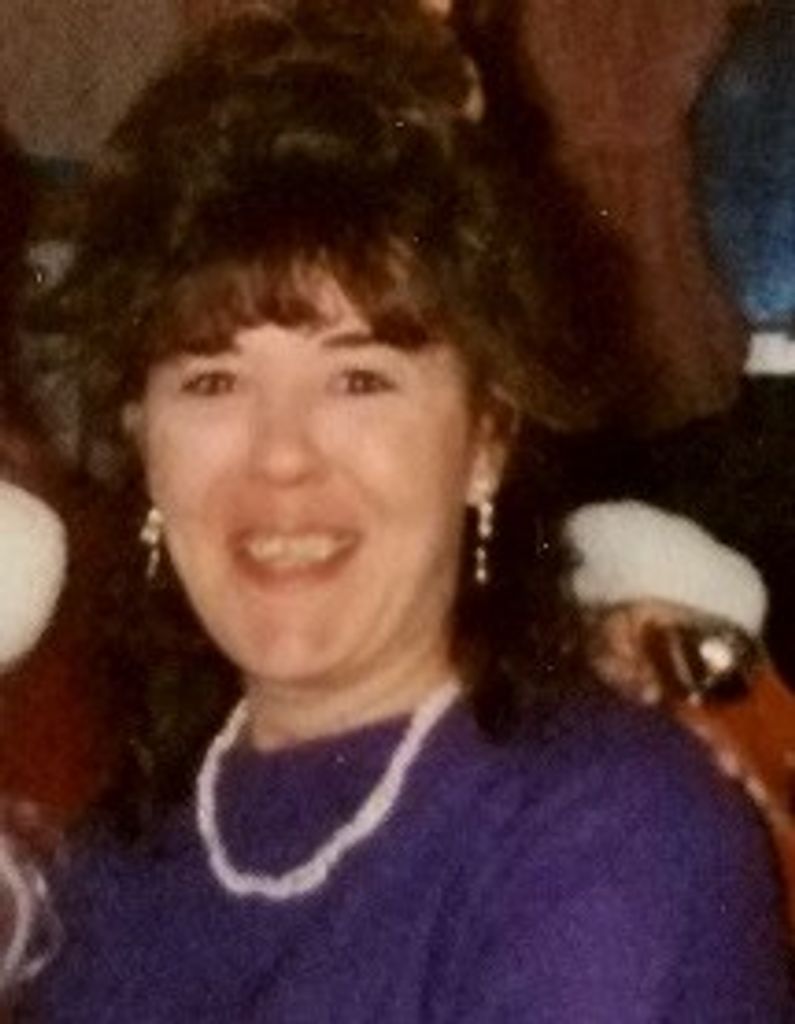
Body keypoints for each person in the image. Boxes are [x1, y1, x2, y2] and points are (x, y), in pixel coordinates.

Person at [19, 3, 793, 1019]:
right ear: (140, 436)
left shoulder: (611, 836)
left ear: (487, 438)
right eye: (211, 381)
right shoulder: (107, 864)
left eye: (360, 379)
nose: (281, 455)